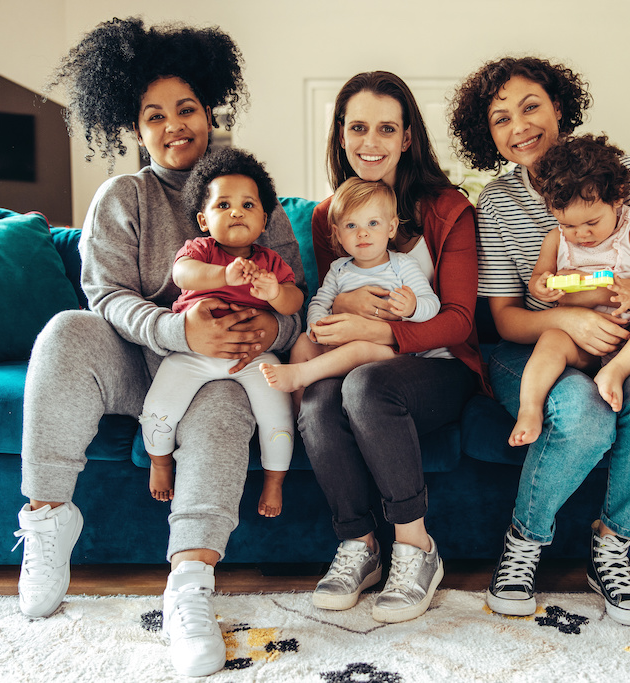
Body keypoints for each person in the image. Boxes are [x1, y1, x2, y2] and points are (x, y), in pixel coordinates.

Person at [13, 18, 304, 678]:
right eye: (155, 116)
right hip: (137, 360)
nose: (175, 125)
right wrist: (178, 331)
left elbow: (295, 299)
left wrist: (272, 332)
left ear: (208, 111)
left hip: (222, 368)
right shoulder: (124, 196)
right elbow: (106, 297)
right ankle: (48, 520)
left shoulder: (253, 196)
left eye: (187, 109)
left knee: (229, 389)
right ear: (134, 128)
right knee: (63, 332)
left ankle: (191, 587)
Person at [449, 57, 630, 627]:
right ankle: (522, 544)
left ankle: (612, 547)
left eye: (530, 106)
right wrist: (567, 319)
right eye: (500, 119)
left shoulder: (629, 176)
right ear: (487, 135)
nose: (518, 126)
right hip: (543, 345)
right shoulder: (496, 201)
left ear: (560, 106)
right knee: (582, 410)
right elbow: (508, 319)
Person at [298, 71, 483, 625]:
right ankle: (360, 546)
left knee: (366, 385)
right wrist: (345, 312)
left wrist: (384, 332)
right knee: (315, 399)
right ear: (340, 134)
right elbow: (334, 295)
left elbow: (458, 321)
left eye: (386, 128)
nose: (370, 142)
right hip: (361, 357)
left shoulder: (448, 209)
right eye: (358, 127)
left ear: (407, 138)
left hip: (439, 367)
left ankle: (416, 547)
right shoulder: (328, 213)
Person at [140, 147, 303, 519]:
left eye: (248, 206)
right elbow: (182, 274)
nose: (236, 212)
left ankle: (274, 480)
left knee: (277, 416)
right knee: (160, 409)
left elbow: (295, 301)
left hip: (251, 355)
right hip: (191, 353)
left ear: (264, 221)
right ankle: (161, 461)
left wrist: (276, 293)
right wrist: (223, 276)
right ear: (203, 219)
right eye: (223, 205)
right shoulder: (202, 250)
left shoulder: (270, 262)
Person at [509, 134, 630, 446]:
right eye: (568, 225)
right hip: (580, 344)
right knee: (551, 339)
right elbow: (539, 276)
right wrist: (542, 286)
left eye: (592, 222)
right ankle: (529, 408)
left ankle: (616, 371)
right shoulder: (556, 240)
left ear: (617, 198)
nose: (581, 234)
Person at [260, 177, 449, 395]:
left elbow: (431, 304)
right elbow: (319, 302)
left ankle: (302, 374)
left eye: (373, 223)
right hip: (342, 343)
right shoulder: (339, 269)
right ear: (338, 234)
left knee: (359, 349)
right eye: (351, 225)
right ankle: (297, 417)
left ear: (392, 227)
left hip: (391, 351)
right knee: (303, 341)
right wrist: (316, 328)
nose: (362, 233)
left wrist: (413, 307)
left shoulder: (403, 265)